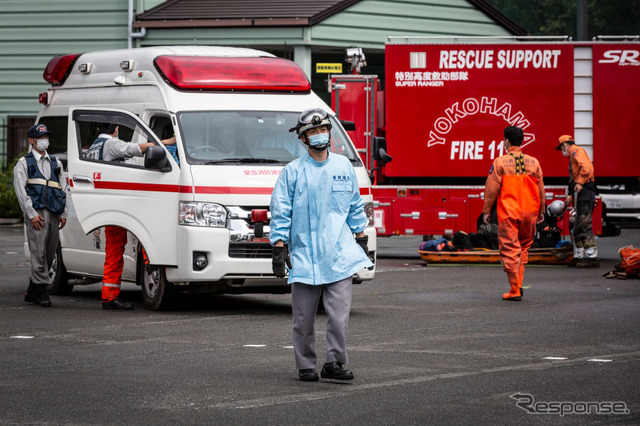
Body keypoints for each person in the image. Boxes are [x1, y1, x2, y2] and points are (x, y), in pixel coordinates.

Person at [269, 108, 373, 381]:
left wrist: (360, 236)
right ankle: (305, 364)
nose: (319, 135)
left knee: (338, 318)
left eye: (322, 130)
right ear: (303, 139)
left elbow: (354, 206)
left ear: (329, 133)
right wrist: (279, 247)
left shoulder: (343, 167)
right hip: (303, 256)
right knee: (303, 320)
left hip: (338, 256)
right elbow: (281, 210)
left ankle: (334, 363)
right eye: (312, 132)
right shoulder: (292, 173)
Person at [87, 122, 168, 310]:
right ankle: (109, 297)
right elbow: (136, 148)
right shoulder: (111, 144)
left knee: (114, 250)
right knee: (116, 251)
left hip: (106, 204)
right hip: (116, 206)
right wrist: (166, 142)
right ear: (115, 129)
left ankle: (110, 295)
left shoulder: (94, 146)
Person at [483, 126, 545, 301]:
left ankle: (514, 289)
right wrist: (541, 211)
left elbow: (491, 189)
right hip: (530, 212)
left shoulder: (500, 162)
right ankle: (518, 284)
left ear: (506, 141)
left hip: (510, 212)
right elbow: (541, 190)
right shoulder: (534, 162)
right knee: (524, 247)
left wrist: (486, 211)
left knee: (510, 249)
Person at [13, 124, 68, 307]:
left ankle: (32, 290)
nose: (45, 139)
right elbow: (21, 191)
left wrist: (63, 212)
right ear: (31, 140)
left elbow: (63, 188)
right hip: (37, 214)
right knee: (39, 253)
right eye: (41, 136)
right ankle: (41, 290)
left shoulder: (56, 162)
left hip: (53, 212)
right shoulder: (24, 163)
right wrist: (31, 214)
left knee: (50, 253)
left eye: (46, 136)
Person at [555, 135, 599, 268]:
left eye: (561, 147)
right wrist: (571, 196)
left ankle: (591, 257)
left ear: (565, 145)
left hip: (584, 191)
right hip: (581, 193)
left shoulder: (575, 151)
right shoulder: (574, 154)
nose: (562, 150)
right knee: (576, 226)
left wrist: (580, 183)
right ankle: (579, 255)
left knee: (583, 224)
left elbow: (586, 168)